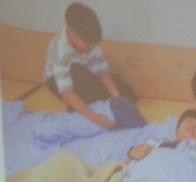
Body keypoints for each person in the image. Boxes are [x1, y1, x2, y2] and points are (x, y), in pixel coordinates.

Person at [45, 2, 144, 130]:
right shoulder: (60, 50)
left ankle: (94, 104)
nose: (90, 47)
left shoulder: (90, 42)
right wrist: (97, 119)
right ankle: (77, 111)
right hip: (59, 82)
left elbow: (102, 71)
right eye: (87, 44)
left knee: (126, 93)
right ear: (71, 34)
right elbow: (66, 92)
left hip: (87, 77)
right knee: (78, 73)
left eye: (92, 44)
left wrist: (118, 98)